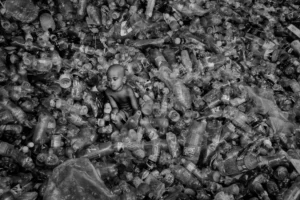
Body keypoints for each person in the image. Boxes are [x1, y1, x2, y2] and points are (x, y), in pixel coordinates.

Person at [105, 64, 139, 129]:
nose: (111, 82)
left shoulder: (128, 90)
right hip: (122, 111)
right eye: (109, 80)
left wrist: (135, 119)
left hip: (132, 110)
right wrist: (113, 113)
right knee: (115, 119)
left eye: (115, 79)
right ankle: (123, 132)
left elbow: (135, 108)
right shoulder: (108, 92)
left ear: (123, 79)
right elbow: (115, 107)